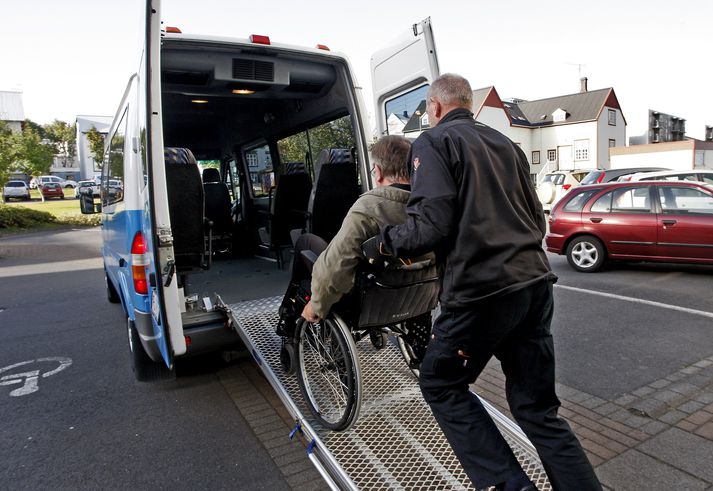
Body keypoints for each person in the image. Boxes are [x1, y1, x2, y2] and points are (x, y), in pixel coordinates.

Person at [363, 74, 601, 491]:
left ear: (434, 107)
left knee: (441, 382)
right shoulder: (507, 145)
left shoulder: (433, 143)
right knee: (538, 410)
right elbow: (536, 218)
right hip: (534, 284)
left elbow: (430, 224)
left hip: (481, 293)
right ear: (466, 104)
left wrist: (381, 245)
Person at [277, 135, 417, 326]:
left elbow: (337, 265)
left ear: (378, 172)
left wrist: (317, 305)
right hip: (415, 293)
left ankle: (289, 314)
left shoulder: (368, 209)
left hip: (365, 297)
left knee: (306, 241)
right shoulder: (431, 205)